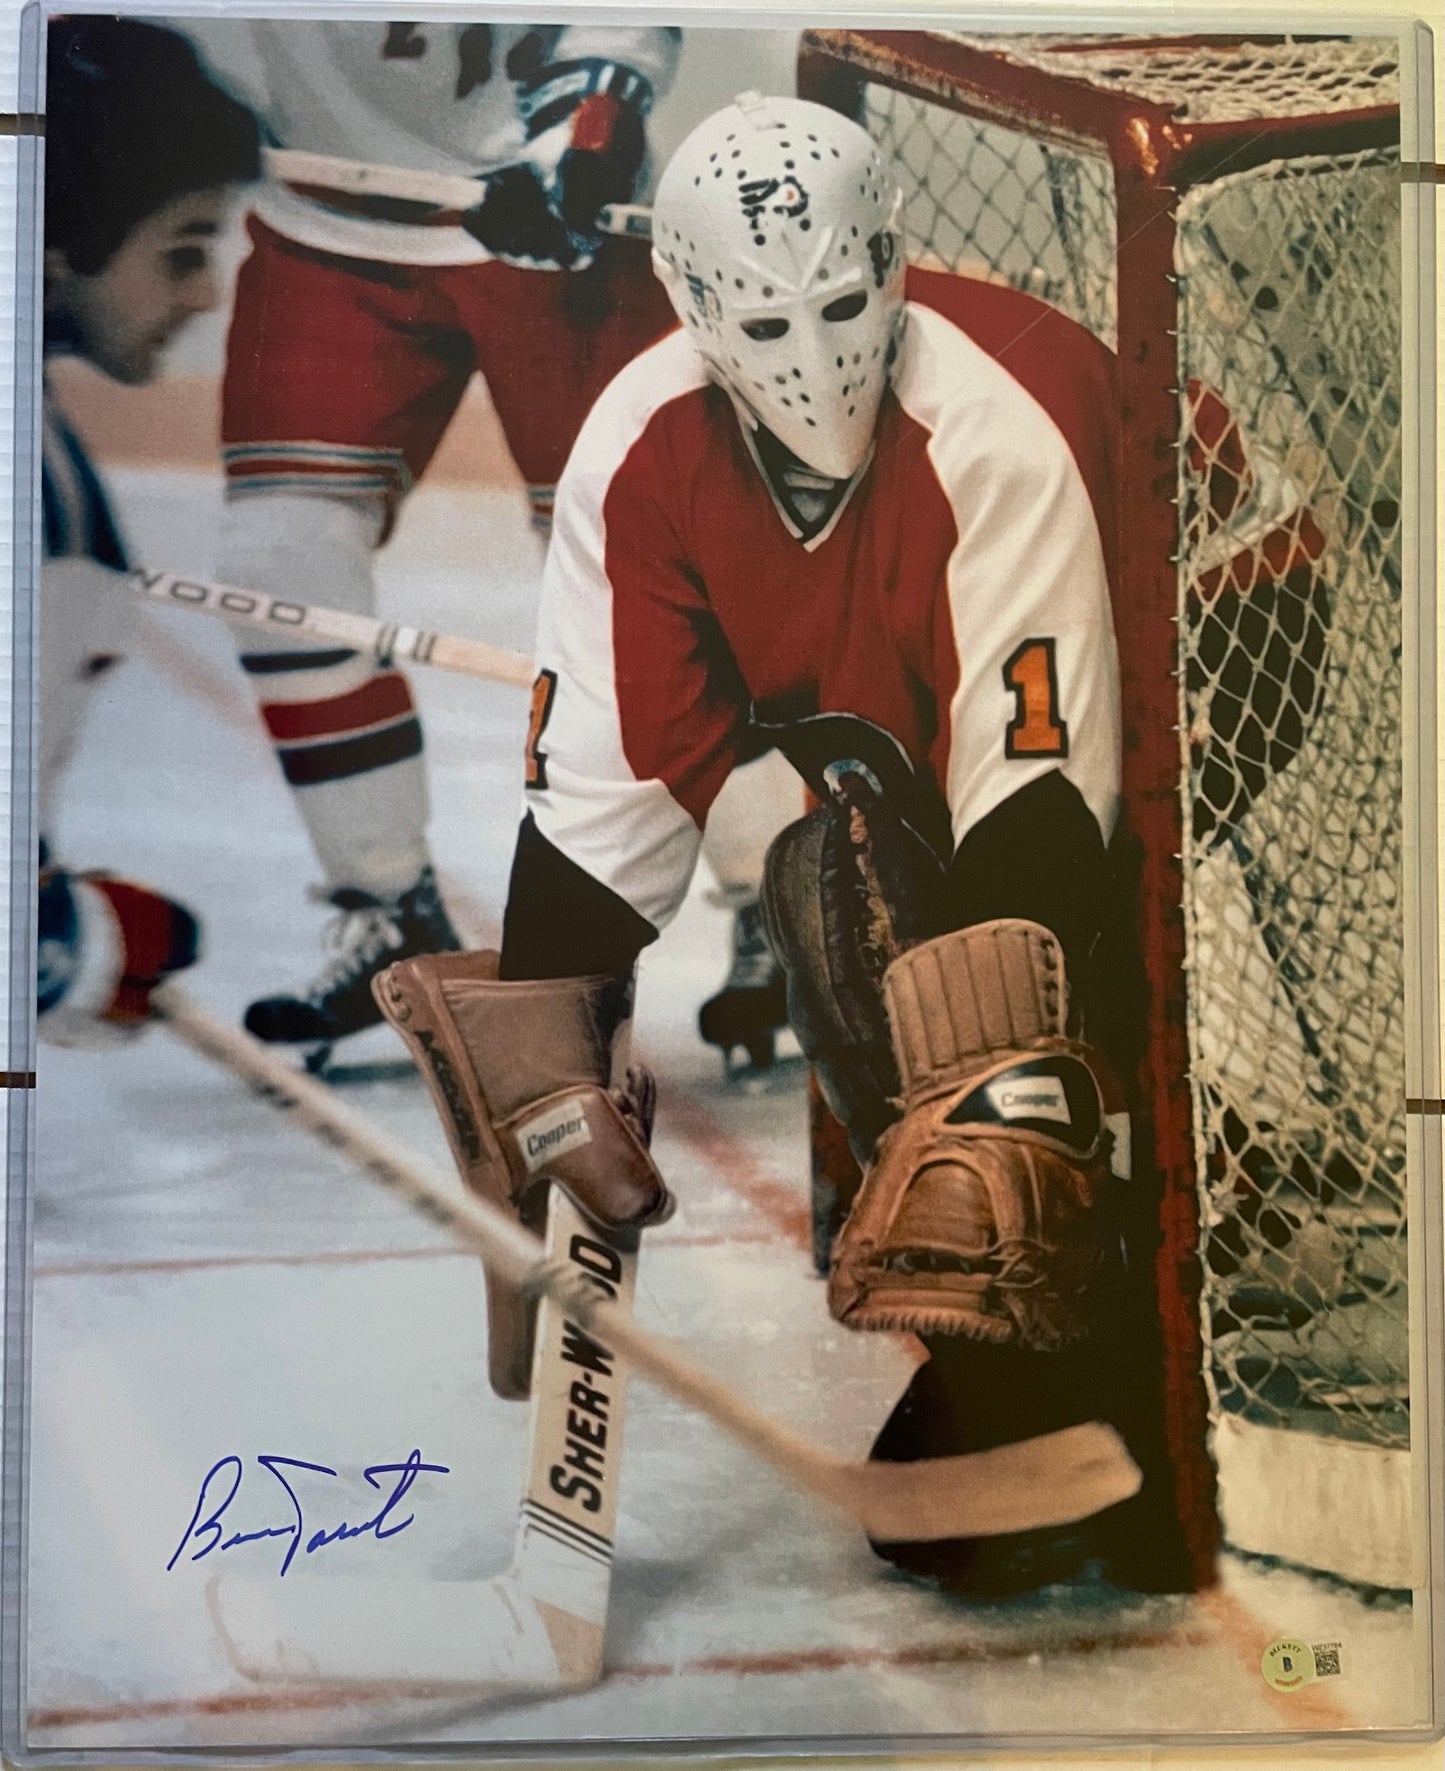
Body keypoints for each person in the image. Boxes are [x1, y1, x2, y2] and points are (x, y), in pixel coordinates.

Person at [373, 93, 1195, 1597]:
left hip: (1214, 622)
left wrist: (994, 1107)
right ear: (690, 307)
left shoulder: (994, 429)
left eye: (841, 300)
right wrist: (553, 1069)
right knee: (851, 890)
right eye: (764, 322)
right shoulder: (635, 451)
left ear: (893, 258)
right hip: (933, 676)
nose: (814, 358)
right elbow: (601, 818)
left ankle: (1109, 1343)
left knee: (961, 941)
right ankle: (1047, 1338)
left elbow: (1033, 827)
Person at [175, 20, 683, 1061]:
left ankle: (767, 902)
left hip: (549, 210)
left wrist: (584, 134)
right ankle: (387, 908)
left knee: (656, 582)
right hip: (326, 219)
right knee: (277, 555)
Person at [38, 18, 260, 1046]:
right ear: (48, 240)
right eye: (181, 252)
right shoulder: (39, 496)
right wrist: (77, 940)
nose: (205, 295)